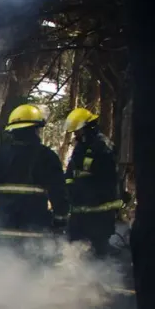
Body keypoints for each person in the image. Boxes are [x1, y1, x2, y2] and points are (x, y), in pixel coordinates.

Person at [0, 104, 69, 248]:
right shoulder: (48, 157)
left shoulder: (0, 157)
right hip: (36, 236)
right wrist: (59, 220)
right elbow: (59, 193)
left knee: (3, 262)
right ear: (36, 129)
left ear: (13, 131)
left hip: (4, 232)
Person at [63, 107, 122, 258]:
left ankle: (103, 272)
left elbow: (109, 179)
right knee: (74, 250)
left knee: (99, 253)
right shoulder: (80, 147)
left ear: (87, 127)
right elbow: (71, 172)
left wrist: (89, 192)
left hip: (99, 213)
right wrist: (69, 188)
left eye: (78, 131)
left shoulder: (103, 146)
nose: (76, 135)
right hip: (79, 211)